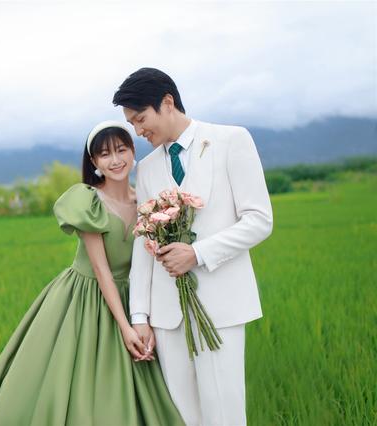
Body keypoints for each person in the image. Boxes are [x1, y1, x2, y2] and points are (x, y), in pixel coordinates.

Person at [0, 121, 183, 426]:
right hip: (85, 296)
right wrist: (126, 327)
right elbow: (101, 271)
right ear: (94, 162)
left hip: (132, 297)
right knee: (74, 379)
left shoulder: (148, 203)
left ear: (133, 151)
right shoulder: (88, 201)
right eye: (105, 154)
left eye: (121, 149)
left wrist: (141, 316)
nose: (115, 160)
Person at [113, 68, 273, 426]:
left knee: (225, 414)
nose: (137, 131)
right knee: (183, 416)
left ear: (167, 102)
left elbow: (259, 220)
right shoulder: (148, 168)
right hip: (166, 316)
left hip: (221, 308)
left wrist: (198, 254)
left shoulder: (231, 140)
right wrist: (139, 316)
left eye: (140, 119)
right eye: (132, 123)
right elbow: (143, 242)